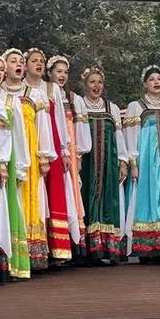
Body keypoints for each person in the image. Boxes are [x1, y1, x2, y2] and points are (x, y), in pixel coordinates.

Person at [0, 52, 31, 280]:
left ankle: (6, 264)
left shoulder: (12, 101)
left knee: (6, 206)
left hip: (6, 160)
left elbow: (19, 135)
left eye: (1, 69)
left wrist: (19, 166)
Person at [3, 49, 54, 272]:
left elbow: (43, 127)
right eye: (12, 61)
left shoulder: (35, 94)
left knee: (31, 196)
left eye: (20, 61)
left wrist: (44, 156)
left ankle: (32, 253)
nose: (18, 65)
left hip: (30, 154)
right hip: (7, 152)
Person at [24, 48, 73, 265]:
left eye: (41, 61)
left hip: (50, 145)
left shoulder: (51, 88)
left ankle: (57, 249)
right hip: (28, 145)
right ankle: (35, 247)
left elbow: (60, 121)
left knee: (53, 194)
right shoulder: (19, 89)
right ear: (25, 64)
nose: (38, 64)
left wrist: (64, 150)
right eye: (34, 61)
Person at [125, 65, 160, 264]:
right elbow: (131, 135)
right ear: (145, 84)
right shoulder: (136, 106)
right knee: (148, 200)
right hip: (147, 161)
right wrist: (133, 162)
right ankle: (145, 250)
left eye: (159, 79)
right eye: (152, 79)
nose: (156, 82)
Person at [77, 65, 127, 264]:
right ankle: (88, 251)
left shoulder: (111, 108)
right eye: (92, 82)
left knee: (107, 201)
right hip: (87, 163)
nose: (96, 86)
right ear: (85, 85)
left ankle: (107, 248)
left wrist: (123, 161)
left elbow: (118, 135)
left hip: (108, 163)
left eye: (99, 82)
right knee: (85, 199)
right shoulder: (80, 105)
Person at [47, 54, 86, 259]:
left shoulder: (73, 98)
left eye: (65, 72)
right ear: (50, 73)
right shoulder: (46, 93)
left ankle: (74, 243)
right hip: (56, 147)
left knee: (72, 191)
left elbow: (78, 129)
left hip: (70, 150)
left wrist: (77, 155)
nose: (62, 75)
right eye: (58, 71)